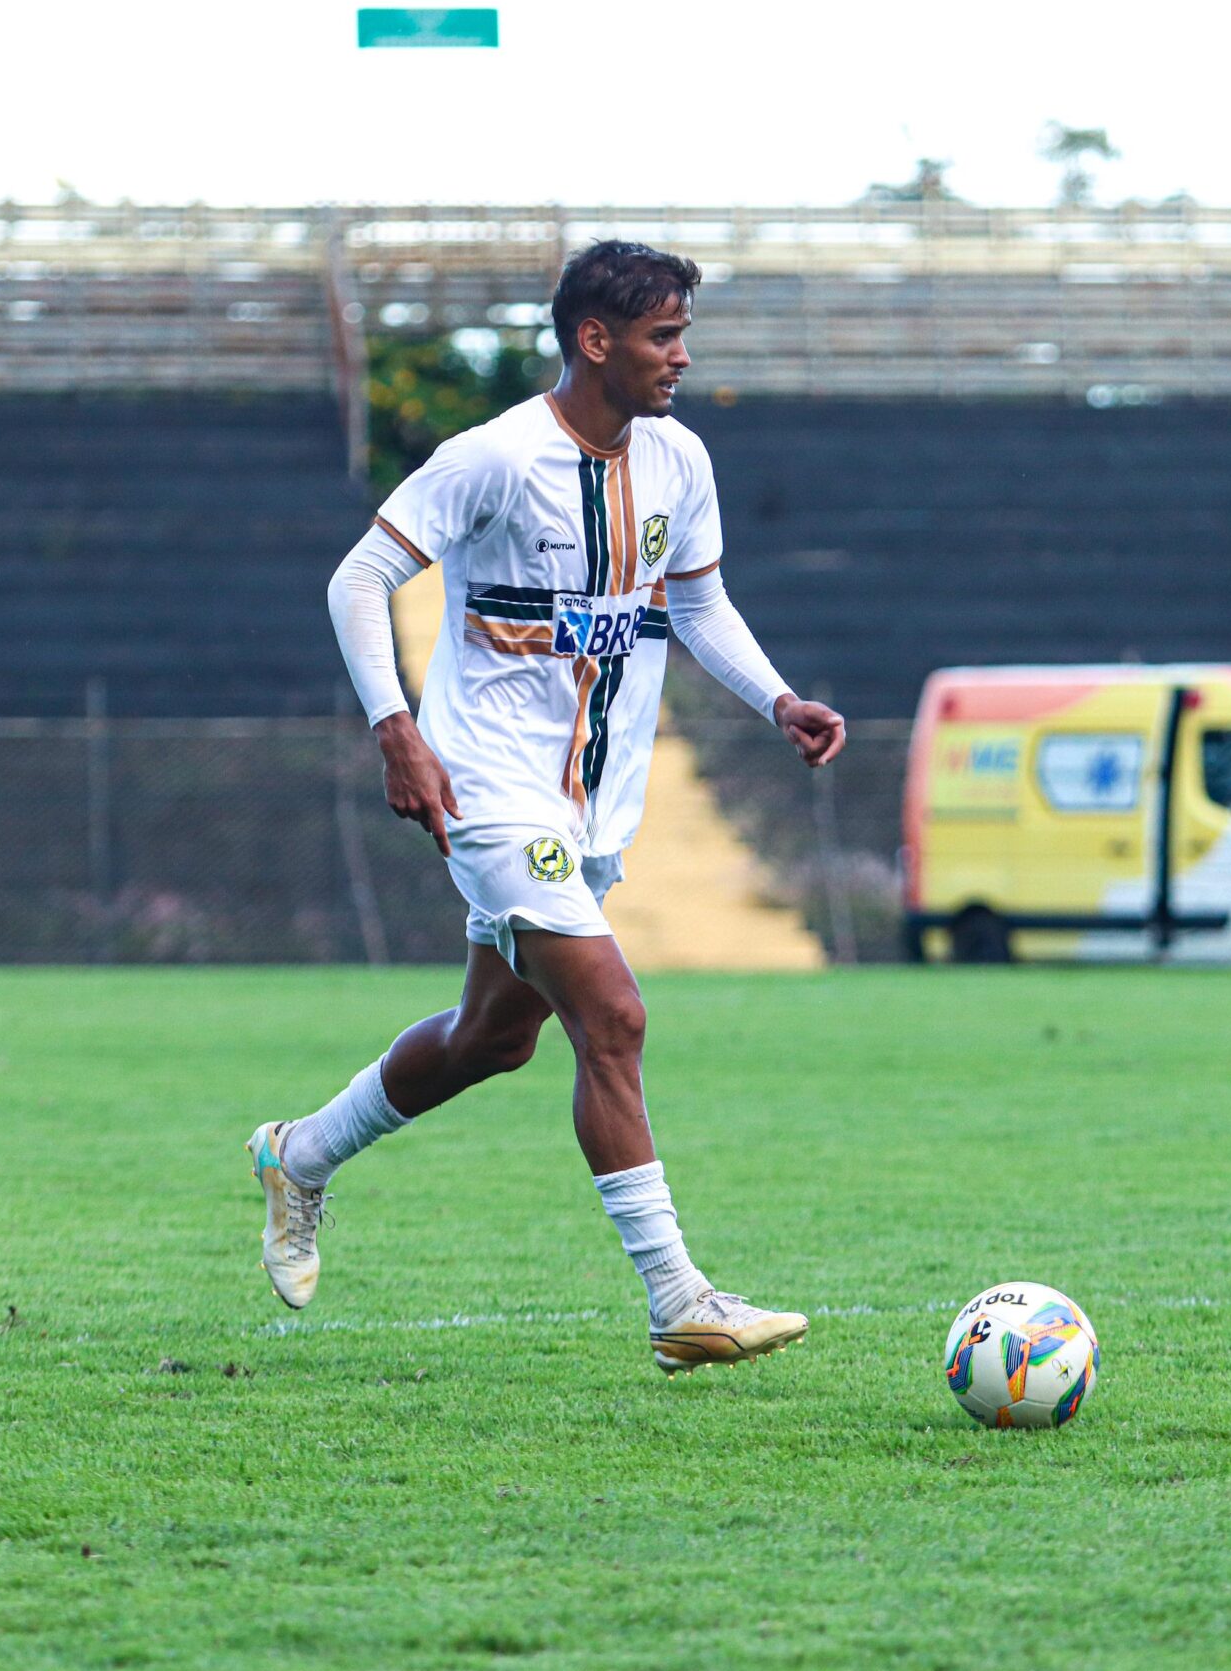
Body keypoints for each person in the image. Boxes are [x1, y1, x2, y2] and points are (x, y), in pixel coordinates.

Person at [247, 240, 847, 1373]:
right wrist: (397, 730)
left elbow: (699, 601)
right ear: (594, 340)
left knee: (495, 1038)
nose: (680, 356)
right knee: (612, 1018)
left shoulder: (678, 460)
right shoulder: (494, 458)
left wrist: (777, 700)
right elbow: (358, 578)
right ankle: (680, 1299)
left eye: (681, 333)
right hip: (486, 783)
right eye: (663, 336)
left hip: (594, 802)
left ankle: (300, 1154)